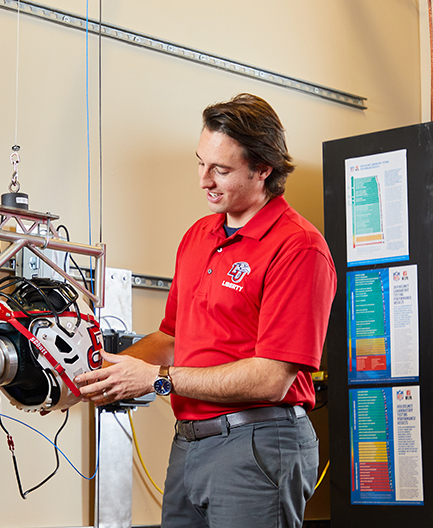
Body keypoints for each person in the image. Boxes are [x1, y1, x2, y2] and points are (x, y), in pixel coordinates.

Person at [76, 93, 336, 528]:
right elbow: (172, 338)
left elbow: (273, 379)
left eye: (221, 169)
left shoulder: (299, 247)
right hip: (190, 444)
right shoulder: (199, 236)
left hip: (258, 442)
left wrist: (156, 381)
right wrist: (94, 372)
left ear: (263, 169)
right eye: (201, 163)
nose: (204, 180)